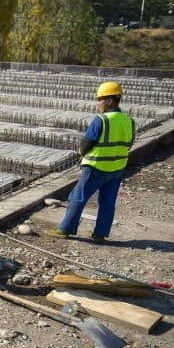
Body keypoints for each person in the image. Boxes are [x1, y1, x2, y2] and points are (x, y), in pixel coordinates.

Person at [45, 82, 135, 243]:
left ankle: (65, 229)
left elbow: (87, 143)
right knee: (108, 203)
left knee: (77, 198)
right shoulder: (129, 121)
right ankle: (100, 234)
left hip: (96, 167)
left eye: (100, 99)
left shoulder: (102, 120)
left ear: (109, 101)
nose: (98, 103)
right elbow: (129, 144)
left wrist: (82, 153)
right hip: (117, 169)